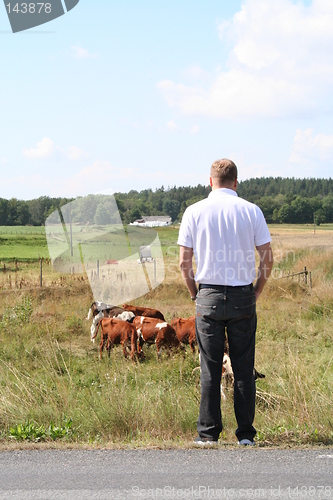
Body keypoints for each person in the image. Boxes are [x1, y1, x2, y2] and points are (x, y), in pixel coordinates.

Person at [177, 158, 273, 446]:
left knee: (210, 366)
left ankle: (208, 434)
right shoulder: (251, 211)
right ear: (235, 182)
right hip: (243, 295)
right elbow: (267, 258)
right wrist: (256, 291)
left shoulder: (193, 212)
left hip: (208, 296)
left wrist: (196, 293)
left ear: (210, 181)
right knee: (244, 368)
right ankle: (245, 436)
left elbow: (184, 262)